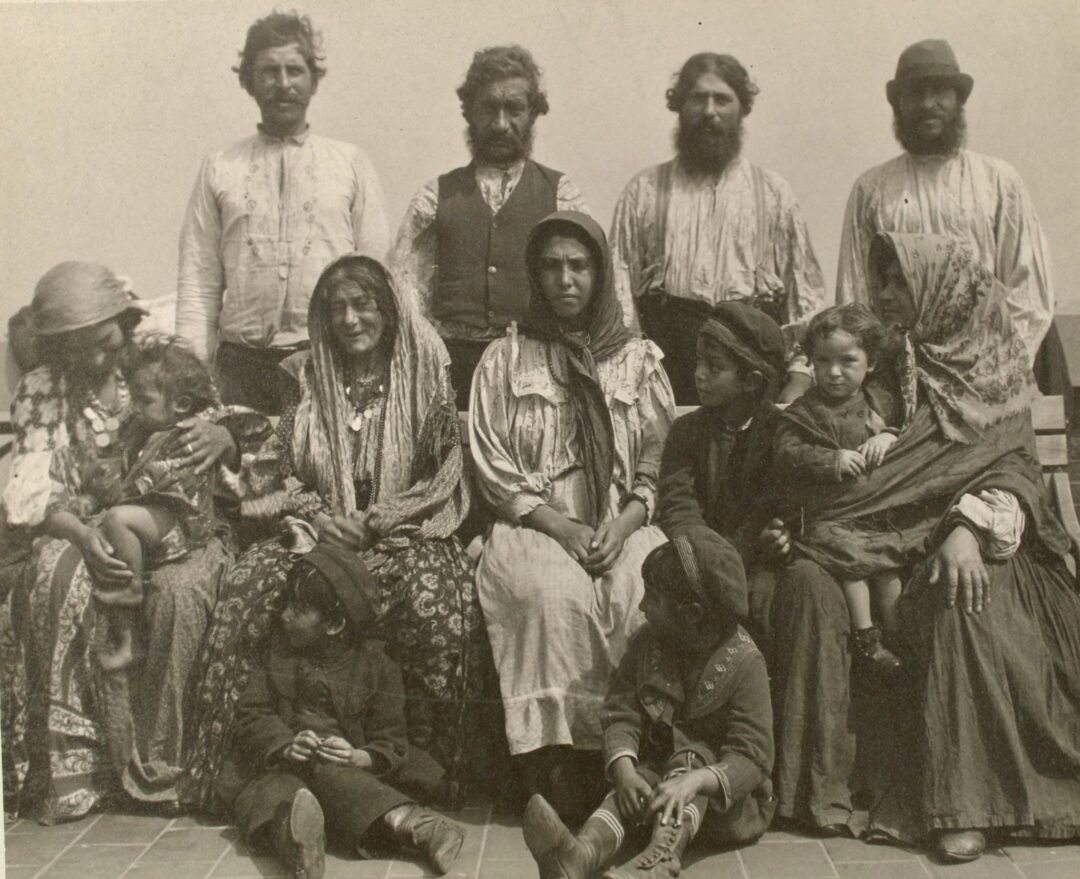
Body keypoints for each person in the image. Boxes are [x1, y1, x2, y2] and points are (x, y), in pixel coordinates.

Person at [765, 232, 1080, 862]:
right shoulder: (894, 366)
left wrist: (967, 527)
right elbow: (842, 442)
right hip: (889, 535)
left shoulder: (995, 368)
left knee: (963, 600)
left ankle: (970, 806)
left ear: (944, 291)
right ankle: (819, 791)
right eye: (883, 281)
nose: (883, 294)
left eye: (898, 281)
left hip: (990, 539)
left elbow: (1014, 472)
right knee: (824, 584)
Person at [184, 254, 486, 814]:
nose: (349, 320)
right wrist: (320, 516)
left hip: (404, 533)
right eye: (336, 308)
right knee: (249, 589)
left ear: (388, 310)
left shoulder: (425, 372)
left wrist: (379, 521)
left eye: (363, 305)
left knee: (439, 605)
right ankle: (251, 767)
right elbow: (277, 465)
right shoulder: (305, 376)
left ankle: (425, 772)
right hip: (316, 530)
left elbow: (444, 471)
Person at [0, 262, 238, 822]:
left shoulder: (159, 362)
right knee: (55, 576)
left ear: (123, 320)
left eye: (104, 342)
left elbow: (217, 427)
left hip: (174, 522)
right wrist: (84, 534)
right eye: (78, 349)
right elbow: (36, 500)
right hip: (80, 527)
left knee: (179, 591)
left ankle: (160, 769)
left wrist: (222, 435)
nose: (97, 360)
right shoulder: (42, 391)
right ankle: (74, 774)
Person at [470, 211, 674, 823]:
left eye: (579, 266)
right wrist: (560, 525)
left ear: (600, 274)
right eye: (552, 267)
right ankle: (559, 775)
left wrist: (626, 522)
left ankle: (635, 761)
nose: (566, 279)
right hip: (537, 520)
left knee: (642, 591)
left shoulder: (637, 360)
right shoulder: (506, 359)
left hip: (621, 520)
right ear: (535, 275)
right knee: (548, 596)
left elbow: (657, 460)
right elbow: (491, 461)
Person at [521, 527, 774, 879]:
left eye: (652, 599)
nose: (641, 606)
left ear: (692, 612)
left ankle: (659, 861)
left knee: (691, 758)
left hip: (721, 809)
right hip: (654, 787)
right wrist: (624, 771)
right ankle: (579, 856)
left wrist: (696, 781)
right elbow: (621, 710)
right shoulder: (648, 643)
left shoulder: (746, 664)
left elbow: (752, 756)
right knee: (636, 780)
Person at [835, 38, 1069, 408]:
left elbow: (1030, 289)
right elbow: (856, 296)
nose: (928, 104)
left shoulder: (998, 180)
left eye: (939, 91)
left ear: (959, 101)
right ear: (898, 104)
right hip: (904, 369)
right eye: (915, 93)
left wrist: (994, 368)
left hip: (993, 364)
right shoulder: (872, 189)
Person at [177, 11, 389, 414]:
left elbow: (377, 275)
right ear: (250, 81)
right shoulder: (220, 166)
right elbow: (198, 283)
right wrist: (190, 381)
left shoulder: (349, 163)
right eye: (269, 71)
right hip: (240, 369)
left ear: (313, 79)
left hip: (328, 362)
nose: (283, 84)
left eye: (295, 70)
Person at [225, 547, 465, 879]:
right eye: (287, 606)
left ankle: (419, 827)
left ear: (335, 624)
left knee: (334, 777)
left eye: (299, 609)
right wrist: (285, 744)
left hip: (346, 776)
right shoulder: (277, 654)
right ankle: (300, 847)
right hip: (283, 769)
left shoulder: (376, 666)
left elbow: (391, 739)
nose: (285, 616)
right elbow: (252, 713)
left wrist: (359, 757)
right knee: (269, 797)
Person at [610, 52, 825, 405]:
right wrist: (634, 375)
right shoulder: (645, 191)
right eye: (698, 98)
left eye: (722, 99)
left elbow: (806, 297)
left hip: (754, 372)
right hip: (667, 374)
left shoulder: (773, 193)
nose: (709, 111)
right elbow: (618, 294)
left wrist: (800, 375)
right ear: (679, 106)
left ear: (742, 110)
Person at [390, 45, 590, 409]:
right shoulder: (433, 198)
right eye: (489, 108)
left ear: (533, 113)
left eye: (513, 109)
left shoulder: (563, 195)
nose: (500, 123)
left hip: (538, 372)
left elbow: (591, 286)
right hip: (452, 371)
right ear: (469, 111)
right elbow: (404, 295)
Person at [772, 305, 904, 674]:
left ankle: (899, 633)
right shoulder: (804, 411)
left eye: (848, 361)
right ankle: (867, 637)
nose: (833, 372)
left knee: (888, 562)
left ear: (871, 363)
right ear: (810, 362)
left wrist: (888, 438)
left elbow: (903, 434)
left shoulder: (877, 404)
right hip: (825, 515)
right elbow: (786, 452)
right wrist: (830, 461)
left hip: (869, 510)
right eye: (823, 361)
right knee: (853, 562)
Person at [654, 301, 788, 655]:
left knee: (764, 603)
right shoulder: (687, 431)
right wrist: (703, 553)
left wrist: (762, 542)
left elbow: (768, 506)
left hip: (753, 557)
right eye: (698, 361)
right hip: (694, 555)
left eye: (714, 367)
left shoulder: (778, 434)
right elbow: (676, 499)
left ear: (751, 381)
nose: (698, 373)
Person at [88, 336, 221, 672]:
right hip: (159, 512)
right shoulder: (144, 430)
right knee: (108, 534)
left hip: (182, 520)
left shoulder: (184, 434)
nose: (135, 407)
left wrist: (123, 491)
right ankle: (130, 642)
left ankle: (132, 589)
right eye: (133, 398)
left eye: (143, 400)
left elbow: (159, 481)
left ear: (180, 403)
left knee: (117, 520)